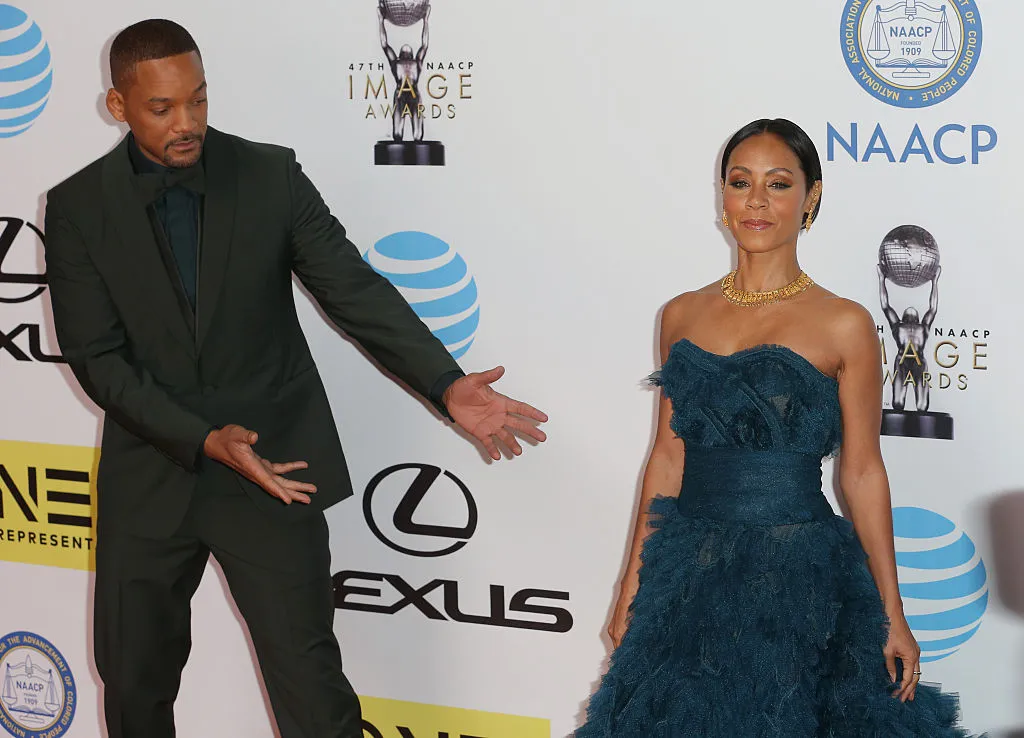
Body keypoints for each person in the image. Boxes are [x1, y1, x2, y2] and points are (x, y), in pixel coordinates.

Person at [43, 19, 547, 738]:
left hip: (274, 472)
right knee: (132, 687)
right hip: (151, 477)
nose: (186, 123)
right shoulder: (77, 207)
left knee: (312, 694)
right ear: (118, 107)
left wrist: (443, 382)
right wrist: (203, 439)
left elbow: (352, 289)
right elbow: (97, 360)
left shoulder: (269, 175)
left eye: (198, 100)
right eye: (161, 108)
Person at [575, 119, 978, 736]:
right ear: (722, 195)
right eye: (741, 182)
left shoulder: (844, 324)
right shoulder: (681, 314)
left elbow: (863, 470)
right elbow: (666, 458)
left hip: (795, 577)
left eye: (778, 183)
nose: (756, 201)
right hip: (690, 572)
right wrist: (631, 582)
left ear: (811, 197)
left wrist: (892, 614)